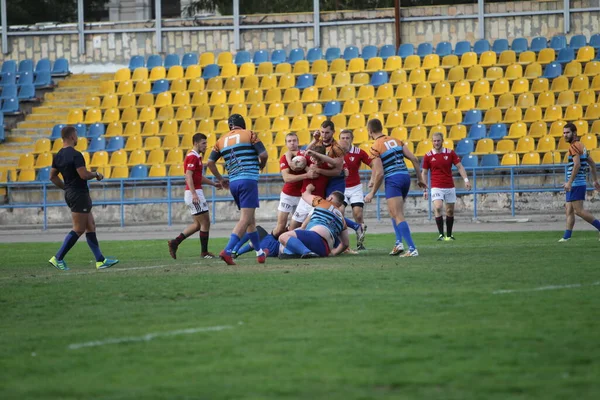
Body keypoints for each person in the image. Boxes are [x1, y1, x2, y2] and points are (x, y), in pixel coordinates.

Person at [48, 126, 118, 271]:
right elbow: (84, 175)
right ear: (73, 137)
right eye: (77, 135)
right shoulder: (76, 155)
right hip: (79, 194)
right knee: (79, 229)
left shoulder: (58, 155)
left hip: (71, 193)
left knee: (90, 225)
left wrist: (66, 188)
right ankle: (58, 258)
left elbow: (52, 176)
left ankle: (100, 260)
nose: (78, 138)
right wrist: (96, 174)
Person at [206, 114, 269, 265]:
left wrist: (221, 179)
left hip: (234, 183)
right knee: (245, 219)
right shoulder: (249, 134)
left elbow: (209, 162)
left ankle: (260, 253)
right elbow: (264, 154)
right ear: (243, 124)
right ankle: (227, 251)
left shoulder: (220, 141)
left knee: (250, 220)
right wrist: (261, 165)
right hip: (248, 180)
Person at [364, 118, 427, 257]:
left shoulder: (375, 147)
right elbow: (415, 159)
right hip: (405, 177)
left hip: (393, 179)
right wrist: (420, 178)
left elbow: (380, 173)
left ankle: (412, 249)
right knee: (394, 212)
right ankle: (398, 243)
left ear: (370, 131)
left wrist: (372, 193)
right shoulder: (397, 140)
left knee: (397, 214)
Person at [305, 122, 365, 245]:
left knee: (334, 209)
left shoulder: (337, 147)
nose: (324, 135)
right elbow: (306, 153)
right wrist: (314, 140)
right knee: (326, 210)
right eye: (322, 132)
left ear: (333, 132)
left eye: (327, 132)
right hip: (324, 181)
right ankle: (347, 234)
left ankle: (344, 244)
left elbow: (337, 171)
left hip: (335, 181)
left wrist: (319, 169)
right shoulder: (318, 143)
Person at [168, 133, 222, 260]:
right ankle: (204, 253)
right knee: (205, 222)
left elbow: (199, 177)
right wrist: (193, 194)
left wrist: (213, 184)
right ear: (196, 143)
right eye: (203, 143)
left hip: (195, 192)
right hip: (195, 193)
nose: (206, 145)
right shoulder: (192, 156)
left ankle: (175, 243)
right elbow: (188, 176)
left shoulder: (197, 157)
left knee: (198, 225)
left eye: (206, 143)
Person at [420, 131, 472, 241]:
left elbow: (460, 167)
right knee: (438, 207)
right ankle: (440, 234)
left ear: (442, 141)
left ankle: (449, 235)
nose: (436, 143)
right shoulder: (428, 156)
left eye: (438, 140)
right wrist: (425, 189)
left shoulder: (450, 153)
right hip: (436, 186)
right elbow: (424, 173)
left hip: (449, 186)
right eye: (434, 141)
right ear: (432, 142)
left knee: (450, 211)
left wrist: (466, 180)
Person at [278, 184, 349, 258]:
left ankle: (307, 252)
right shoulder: (342, 220)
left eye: (328, 197)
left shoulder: (322, 202)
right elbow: (345, 244)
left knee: (283, 237)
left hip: (315, 237)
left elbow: (305, 195)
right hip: (325, 250)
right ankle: (300, 253)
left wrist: (309, 189)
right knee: (286, 249)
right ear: (340, 205)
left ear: (330, 198)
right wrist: (334, 252)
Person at [558, 122, 600, 242]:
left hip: (576, 183)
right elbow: (592, 164)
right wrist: (595, 180)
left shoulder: (574, 146)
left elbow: (577, 165)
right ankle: (567, 236)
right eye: (564, 133)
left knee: (579, 211)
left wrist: (569, 182)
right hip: (576, 183)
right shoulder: (581, 146)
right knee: (569, 210)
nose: (565, 135)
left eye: (567, 133)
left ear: (574, 133)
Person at [272, 132, 316, 238]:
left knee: (298, 227)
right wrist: (306, 175)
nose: (292, 143)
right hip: (288, 195)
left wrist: (304, 165)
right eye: (289, 141)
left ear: (298, 142)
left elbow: (313, 171)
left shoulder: (304, 155)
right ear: (286, 144)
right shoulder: (284, 158)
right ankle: (268, 241)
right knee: (280, 227)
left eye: (294, 141)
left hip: (302, 197)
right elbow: (286, 178)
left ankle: (286, 244)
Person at [338, 129, 371, 250]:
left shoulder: (359, 152)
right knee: (339, 212)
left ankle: (360, 243)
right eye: (343, 138)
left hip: (355, 187)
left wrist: (373, 179)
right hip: (341, 188)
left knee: (358, 214)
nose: (345, 140)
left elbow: (373, 164)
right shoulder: (335, 153)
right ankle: (343, 244)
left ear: (352, 139)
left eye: (347, 138)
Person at [288, 145, 333, 230]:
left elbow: (336, 165)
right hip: (304, 200)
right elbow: (289, 152)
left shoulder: (327, 165)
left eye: (317, 158)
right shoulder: (306, 160)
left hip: (317, 202)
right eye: (313, 158)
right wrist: (302, 166)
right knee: (292, 227)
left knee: (306, 227)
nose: (315, 161)